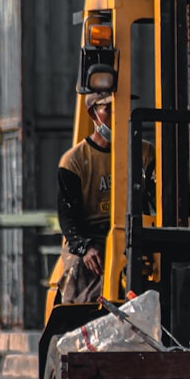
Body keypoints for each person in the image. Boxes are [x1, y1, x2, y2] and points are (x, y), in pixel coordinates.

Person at [56, 91, 154, 304]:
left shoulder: (145, 153)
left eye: (124, 106)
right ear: (93, 114)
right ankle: (78, 322)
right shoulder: (74, 162)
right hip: (92, 236)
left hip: (135, 233)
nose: (120, 113)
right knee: (81, 270)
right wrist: (85, 248)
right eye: (109, 108)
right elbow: (68, 218)